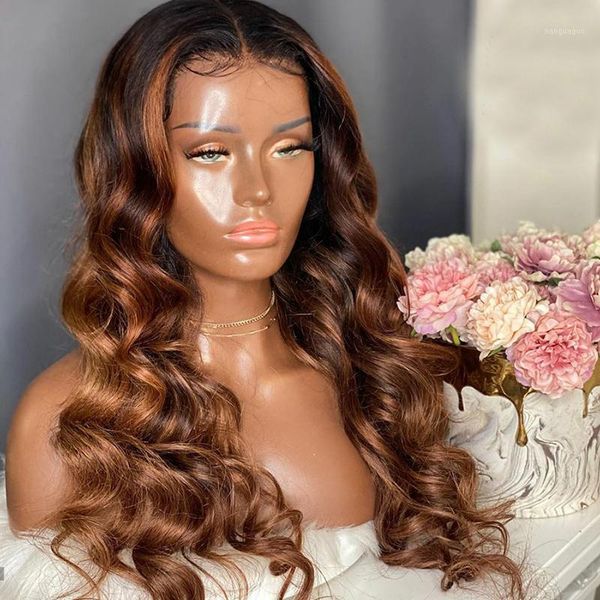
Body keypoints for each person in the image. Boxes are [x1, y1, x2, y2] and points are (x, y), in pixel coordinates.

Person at [0, 1, 535, 598]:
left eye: (289, 148)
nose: (257, 191)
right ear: (134, 169)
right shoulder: (62, 428)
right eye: (210, 152)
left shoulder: (368, 368)